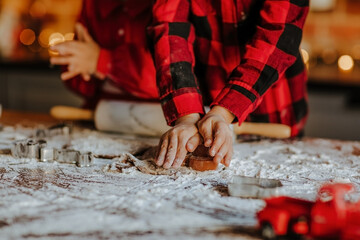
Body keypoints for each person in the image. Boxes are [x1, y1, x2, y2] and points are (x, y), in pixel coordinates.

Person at [150, 0, 309, 169]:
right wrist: (187, 116)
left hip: (274, 101)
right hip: (207, 93)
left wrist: (224, 111)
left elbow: (280, 35)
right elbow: (169, 29)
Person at [50, 0, 158, 109]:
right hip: (101, 114)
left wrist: (102, 61)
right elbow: (76, 75)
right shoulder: (93, 4)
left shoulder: (162, 7)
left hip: (155, 117)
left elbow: (167, 80)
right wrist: (81, 64)